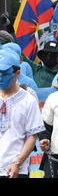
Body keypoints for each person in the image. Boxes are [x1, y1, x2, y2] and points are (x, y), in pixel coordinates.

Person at [0, 49, 45, 178]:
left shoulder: (28, 100)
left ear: (17, 73)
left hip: (15, 170)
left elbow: (32, 136)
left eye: (5, 74)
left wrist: (17, 162)